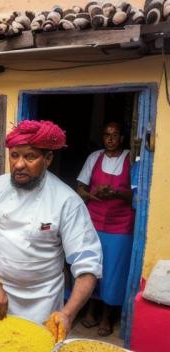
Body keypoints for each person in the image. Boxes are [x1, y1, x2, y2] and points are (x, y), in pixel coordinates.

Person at [0, 120, 102, 336]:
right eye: (14, 155)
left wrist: (68, 314)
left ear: (48, 159)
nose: (19, 164)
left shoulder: (66, 200)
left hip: (41, 299)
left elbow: (88, 265)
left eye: (30, 157)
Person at [77, 121, 135, 336]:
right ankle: (90, 309)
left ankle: (107, 316)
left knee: (114, 270)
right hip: (94, 221)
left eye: (114, 135)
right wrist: (94, 195)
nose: (110, 138)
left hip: (121, 225)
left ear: (121, 138)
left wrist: (118, 193)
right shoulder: (94, 157)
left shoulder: (131, 158)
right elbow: (80, 189)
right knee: (92, 265)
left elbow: (138, 193)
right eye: (106, 134)